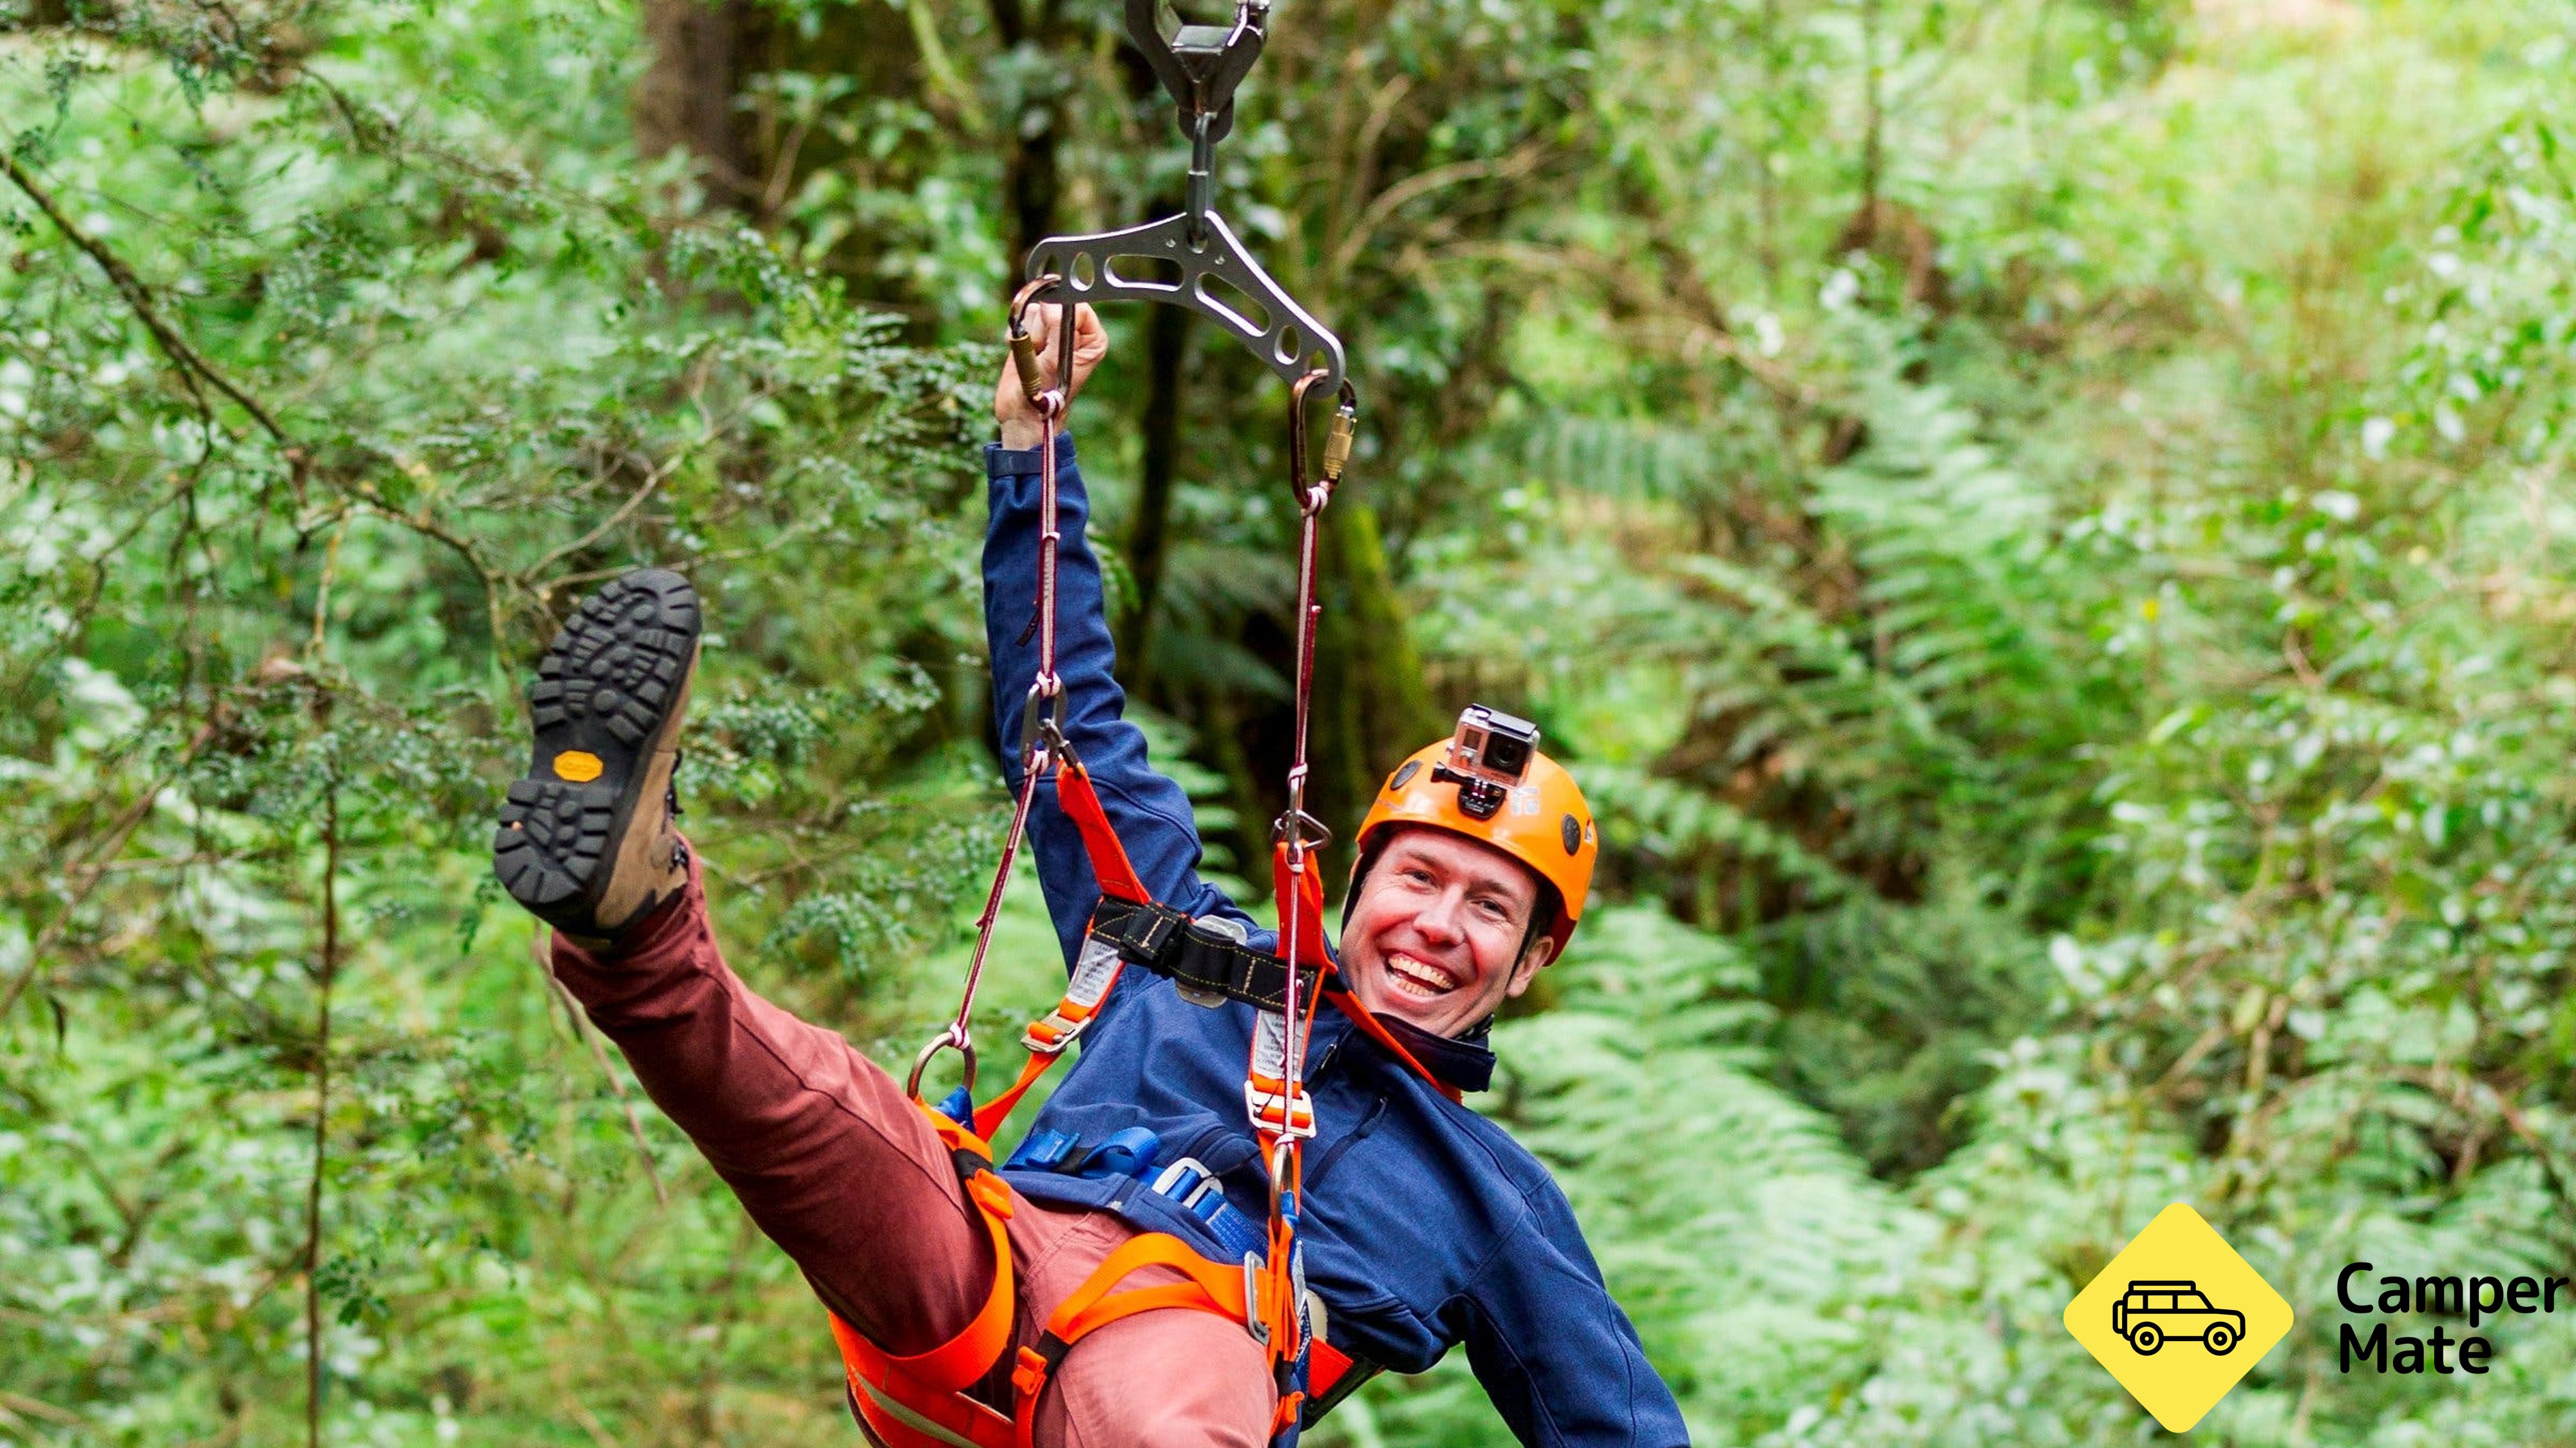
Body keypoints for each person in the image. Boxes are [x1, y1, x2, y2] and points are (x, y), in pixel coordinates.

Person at [488, 304, 1689, 1447]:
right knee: (816, 1105)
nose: (1437, 925)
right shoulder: (1186, 945)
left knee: (1170, 1418)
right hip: (980, 1273)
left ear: (1534, 961)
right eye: (1420, 879)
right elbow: (1067, 720)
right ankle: (632, 914)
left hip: (1184, 1338)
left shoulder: (1490, 1200)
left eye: (1491, 909)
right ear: (1353, 883)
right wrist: (1033, 442)